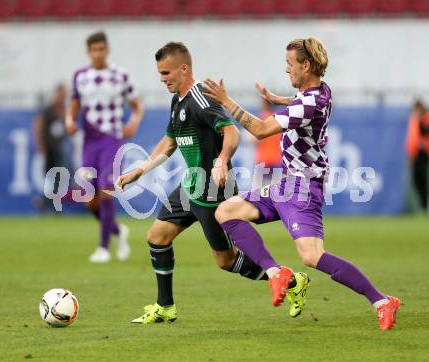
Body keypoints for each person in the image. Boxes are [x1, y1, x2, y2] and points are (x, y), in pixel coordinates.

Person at [203, 37, 401, 330]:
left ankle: (383, 301)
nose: (287, 71)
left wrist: (225, 100)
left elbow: (258, 130)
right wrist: (279, 100)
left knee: (311, 256)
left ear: (306, 65)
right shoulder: (322, 91)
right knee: (226, 211)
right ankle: (275, 272)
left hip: (303, 187)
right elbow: (303, 103)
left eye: (290, 65)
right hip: (286, 184)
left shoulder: (308, 103)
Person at [115, 42, 310, 324]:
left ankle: (291, 281)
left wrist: (221, 161)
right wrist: (142, 169)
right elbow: (170, 141)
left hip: (213, 190)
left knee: (226, 260)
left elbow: (232, 133)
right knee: (157, 237)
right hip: (190, 186)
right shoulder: (177, 100)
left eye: (166, 72)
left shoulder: (201, 99)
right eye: (160, 73)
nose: (163, 78)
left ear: (184, 68)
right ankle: (165, 306)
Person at [65, 31, 144, 263]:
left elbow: (137, 105)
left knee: (106, 189)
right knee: (90, 199)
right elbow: (74, 104)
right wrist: (69, 121)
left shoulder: (120, 75)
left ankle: (103, 248)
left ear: (107, 50)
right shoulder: (80, 76)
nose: (98, 54)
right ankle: (118, 232)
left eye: (101, 49)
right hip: (90, 142)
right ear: (89, 52)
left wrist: (133, 122)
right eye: (94, 50)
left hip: (112, 139)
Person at [33, 83, 67, 212]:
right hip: (49, 148)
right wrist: (41, 146)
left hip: (58, 148)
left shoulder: (64, 109)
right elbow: (38, 127)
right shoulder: (48, 109)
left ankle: (49, 203)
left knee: (59, 176)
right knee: (50, 176)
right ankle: (45, 202)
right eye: (61, 93)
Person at [406, 100, 429, 211]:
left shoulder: (425, 119)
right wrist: (411, 154)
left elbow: (425, 132)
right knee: (417, 178)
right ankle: (424, 203)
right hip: (417, 153)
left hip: (425, 151)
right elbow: (412, 140)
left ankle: (425, 203)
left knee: (422, 176)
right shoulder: (414, 120)